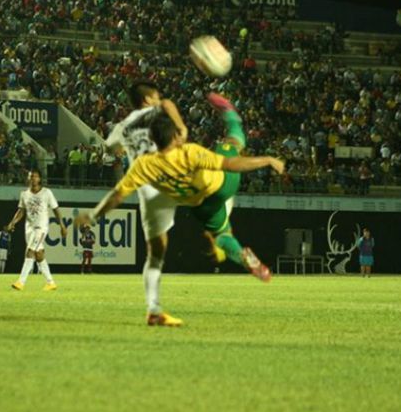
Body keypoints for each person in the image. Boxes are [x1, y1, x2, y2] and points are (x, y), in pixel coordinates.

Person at [75, 93, 286, 326]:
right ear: (175, 136)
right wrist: (266, 160)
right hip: (224, 184)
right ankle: (232, 116)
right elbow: (232, 164)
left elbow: (117, 196)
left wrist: (94, 215)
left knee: (222, 234)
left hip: (200, 205)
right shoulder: (189, 152)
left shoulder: (145, 166)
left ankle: (246, 260)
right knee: (233, 144)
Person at [101, 80, 188, 326]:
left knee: (156, 251)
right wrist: (181, 128)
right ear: (148, 99)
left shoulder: (123, 125)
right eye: (156, 95)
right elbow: (169, 105)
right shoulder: (157, 111)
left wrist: (121, 149)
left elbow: (109, 146)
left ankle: (153, 309)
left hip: (144, 188)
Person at [7, 168, 67, 291]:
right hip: (29, 228)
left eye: (35, 176)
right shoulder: (24, 194)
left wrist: (62, 225)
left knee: (29, 251)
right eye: (30, 176)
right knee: (39, 255)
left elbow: (56, 209)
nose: (32, 178)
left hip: (41, 227)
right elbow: (21, 210)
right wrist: (12, 222)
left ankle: (21, 282)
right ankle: (51, 282)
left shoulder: (46, 193)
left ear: (39, 178)